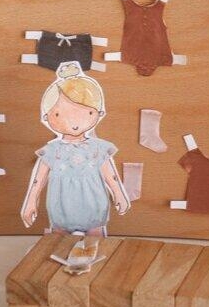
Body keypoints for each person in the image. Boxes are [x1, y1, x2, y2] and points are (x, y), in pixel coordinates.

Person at [20, 62, 130, 270]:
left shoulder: (98, 148)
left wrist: (119, 193)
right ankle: (55, 271)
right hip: (61, 207)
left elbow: (110, 175)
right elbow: (38, 179)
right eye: (59, 114)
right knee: (58, 243)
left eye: (85, 113)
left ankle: (94, 270)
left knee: (95, 241)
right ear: (48, 117)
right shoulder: (52, 151)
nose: (73, 122)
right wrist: (31, 201)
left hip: (93, 204)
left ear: (97, 113)